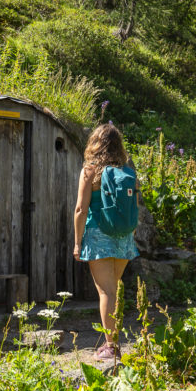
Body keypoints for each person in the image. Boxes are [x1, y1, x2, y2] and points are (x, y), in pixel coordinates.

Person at [73, 122, 139, 360]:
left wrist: (77, 242)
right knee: (114, 291)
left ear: (95, 144)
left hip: (98, 235)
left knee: (106, 292)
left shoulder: (90, 171)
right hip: (124, 237)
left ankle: (111, 346)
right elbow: (135, 206)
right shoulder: (127, 171)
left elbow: (81, 209)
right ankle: (111, 341)